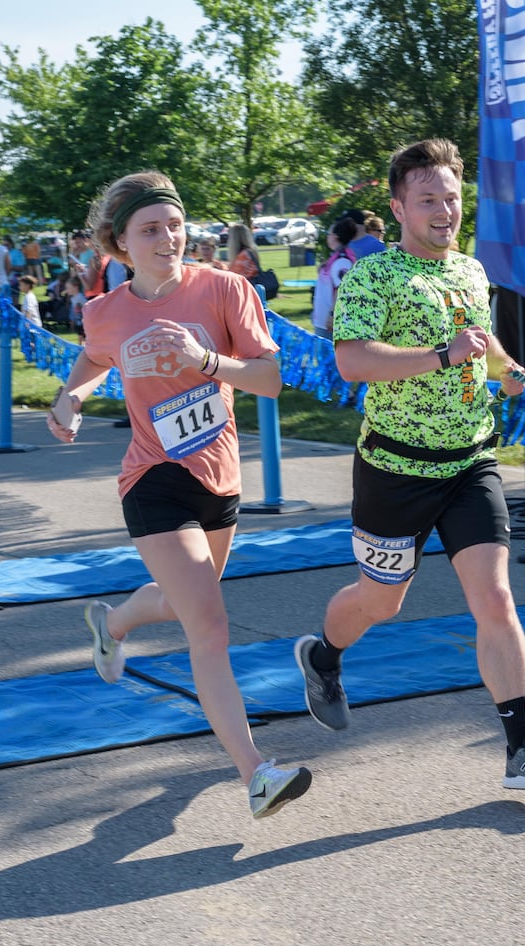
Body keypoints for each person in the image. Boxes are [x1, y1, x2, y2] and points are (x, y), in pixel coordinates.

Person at [294, 137, 525, 794]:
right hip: (395, 470)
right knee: (380, 602)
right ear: (398, 207)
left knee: (496, 599)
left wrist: (510, 373)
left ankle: (522, 751)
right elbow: (354, 361)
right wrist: (444, 356)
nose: (443, 210)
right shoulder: (372, 276)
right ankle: (323, 654)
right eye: (428, 199)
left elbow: (483, 342)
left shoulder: (472, 271)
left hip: (469, 463)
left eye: (451, 198)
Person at [44, 170, 310, 820]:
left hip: (219, 481)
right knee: (208, 623)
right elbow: (93, 358)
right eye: (150, 229)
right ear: (120, 244)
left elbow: (272, 381)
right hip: (152, 480)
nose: (168, 238)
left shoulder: (224, 290)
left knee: (181, 600)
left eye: (174, 224)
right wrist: (71, 396)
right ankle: (257, 773)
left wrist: (207, 362)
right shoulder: (105, 310)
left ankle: (111, 624)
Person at [311, 217, 358, 338]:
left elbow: (342, 290)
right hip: (323, 320)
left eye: (329, 233)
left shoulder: (342, 261)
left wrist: (333, 314)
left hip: (332, 323)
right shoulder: (336, 258)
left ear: (335, 236)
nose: (328, 237)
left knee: (330, 356)